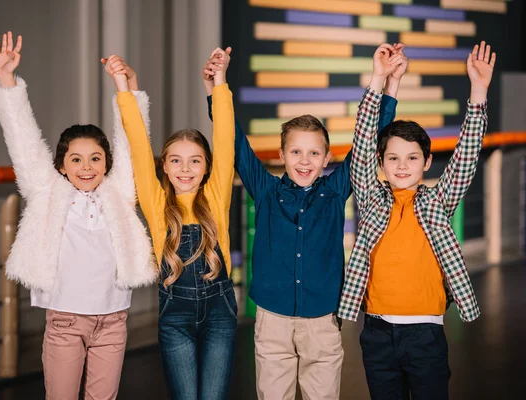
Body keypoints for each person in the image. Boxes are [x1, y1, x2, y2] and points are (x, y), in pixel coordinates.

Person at [203, 46, 402, 399]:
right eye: (296, 152)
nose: (305, 160)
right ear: (281, 155)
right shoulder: (264, 190)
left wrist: (388, 85)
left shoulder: (337, 191)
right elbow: (232, 143)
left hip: (323, 319)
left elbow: (370, 141)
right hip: (272, 319)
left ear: (328, 157)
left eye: (314, 152)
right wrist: (217, 87)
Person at [0, 31, 156, 400]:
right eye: (75, 159)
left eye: (95, 158)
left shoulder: (118, 193)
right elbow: (22, 140)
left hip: (113, 321)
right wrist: (7, 80)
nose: (86, 167)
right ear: (61, 166)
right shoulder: (48, 192)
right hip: (65, 320)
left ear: (107, 164)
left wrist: (127, 87)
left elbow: (133, 144)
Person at [338, 41, 495, 400]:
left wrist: (479, 90)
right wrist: (379, 78)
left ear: (426, 163)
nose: (402, 165)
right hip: (376, 332)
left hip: (426, 333)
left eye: (412, 158)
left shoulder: (437, 201)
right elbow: (362, 145)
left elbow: (467, 156)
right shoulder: (372, 198)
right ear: (381, 164)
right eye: (392, 158)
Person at [104, 47, 237, 399]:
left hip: (220, 317)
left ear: (207, 167)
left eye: (195, 161)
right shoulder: (156, 200)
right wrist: (122, 85)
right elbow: (136, 142)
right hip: (174, 319)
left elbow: (224, 136)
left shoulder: (217, 196)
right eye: (176, 160)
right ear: (164, 166)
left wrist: (220, 80)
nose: (185, 169)